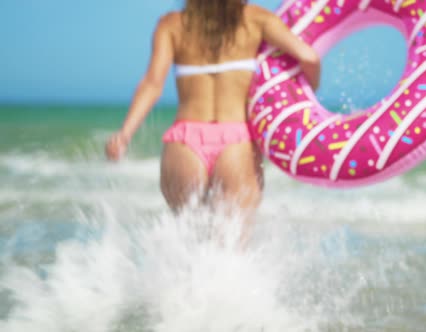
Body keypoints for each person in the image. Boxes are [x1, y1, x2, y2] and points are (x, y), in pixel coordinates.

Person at [105, 0, 321, 242]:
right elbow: (309, 57)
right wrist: (305, 100)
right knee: (233, 248)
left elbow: (152, 85)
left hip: (185, 143)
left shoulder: (172, 24)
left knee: (189, 247)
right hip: (237, 142)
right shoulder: (255, 19)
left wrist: (125, 134)